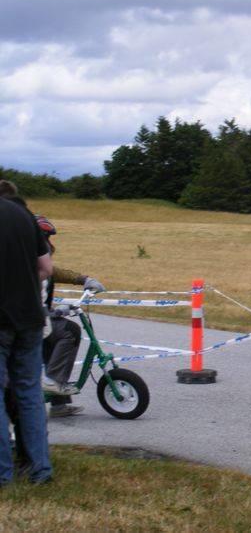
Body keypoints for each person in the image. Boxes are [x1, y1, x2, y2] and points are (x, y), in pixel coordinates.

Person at [0, 197, 54, 485]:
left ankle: (3, 473)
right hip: (30, 317)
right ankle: (39, 469)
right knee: (30, 394)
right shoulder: (22, 214)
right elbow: (46, 268)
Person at [34, 215, 105, 418]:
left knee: (51, 347)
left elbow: (53, 272)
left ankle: (59, 404)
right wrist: (53, 312)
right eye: (45, 238)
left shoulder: (34, 259)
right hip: (25, 321)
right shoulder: (23, 261)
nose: (48, 243)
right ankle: (55, 383)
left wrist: (83, 279)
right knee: (69, 331)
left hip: (36, 318)